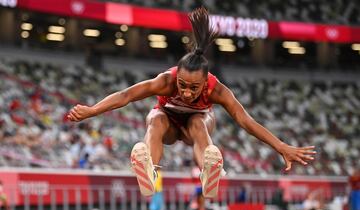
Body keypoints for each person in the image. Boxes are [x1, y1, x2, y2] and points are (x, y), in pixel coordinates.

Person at [68, 7, 316, 198]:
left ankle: (208, 172)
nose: (186, 92)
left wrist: (280, 146)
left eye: (193, 88)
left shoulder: (217, 90)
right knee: (155, 118)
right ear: (178, 77)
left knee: (199, 121)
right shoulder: (166, 81)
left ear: (205, 81)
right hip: (168, 125)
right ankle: (149, 171)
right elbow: (126, 95)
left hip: (194, 128)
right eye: (183, 85)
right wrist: (92, 110)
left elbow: (245, 120)